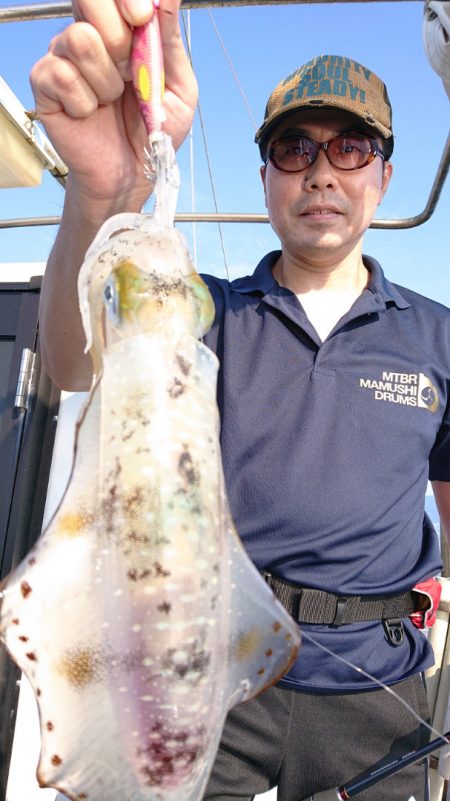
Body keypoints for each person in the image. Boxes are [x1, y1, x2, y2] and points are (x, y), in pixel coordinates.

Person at [32, 2, 450, 799]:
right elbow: (72, 359)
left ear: (384, 176)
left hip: (380, 688)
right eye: (294, 148)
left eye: (350, 146)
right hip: (214, 677)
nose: (321, 170)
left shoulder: (440, 339)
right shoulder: (202, 310)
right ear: (265, 177)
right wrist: (102, 192)